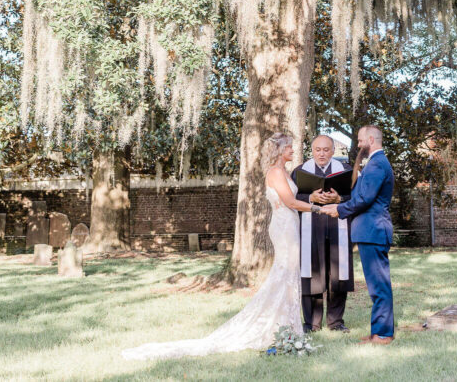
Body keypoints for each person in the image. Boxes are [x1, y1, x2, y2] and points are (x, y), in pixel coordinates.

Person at [121, 132, 330, 360]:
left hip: (288, 224)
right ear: (280, 150)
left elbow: (290, 197)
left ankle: (285, 325)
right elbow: (289, 202)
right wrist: (320, 209)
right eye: (289, 147)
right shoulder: (276, 172)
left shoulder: (282, 172)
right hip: (284, 226)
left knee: (288, 275)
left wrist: (312, 199)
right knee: (284, 275)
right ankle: (280, 325)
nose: (292, 150)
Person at [323, 124, 395, 345]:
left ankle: (382, 334)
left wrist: (339, 209)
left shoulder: (377, 165)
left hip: (373, 230)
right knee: (376, 286)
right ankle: (378, 331)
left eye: (361, 140)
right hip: (368, 231)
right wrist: (340, 201)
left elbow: (365, 200)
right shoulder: (375, 163)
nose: (359, 144)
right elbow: (362, 196)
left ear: (371, 140)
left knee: (379, 285)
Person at [291, 134, 354, 332]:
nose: (322, 154)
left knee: (338, 276)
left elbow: (357, 197)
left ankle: (336, 322)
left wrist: (339, 199)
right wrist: (310, 196)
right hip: (311, 230)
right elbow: (291, 198)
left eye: (326, 149)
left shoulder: (345, 171)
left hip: (338, 229)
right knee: (311, 275)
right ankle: (312, 323)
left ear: (333, 151)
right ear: (312, 150)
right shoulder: (301, 171)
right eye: (318, 149)